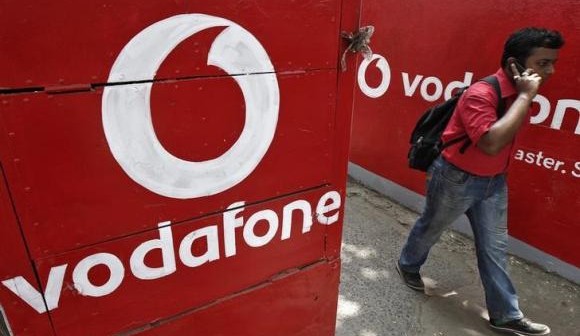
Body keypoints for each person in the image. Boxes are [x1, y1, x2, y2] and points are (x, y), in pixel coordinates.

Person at [396, 27, 564, 336]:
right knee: (432, 226)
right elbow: (490, 143)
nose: (550, 71)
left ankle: (505, 315)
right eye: (543, 63)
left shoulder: (518, 94)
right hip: (455, 179)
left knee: (494, 248)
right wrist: (526, 96)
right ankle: (408, 264)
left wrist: (523, 96)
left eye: (552, 63)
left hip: (494, 184)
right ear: (516, 64)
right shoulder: (482, 94)